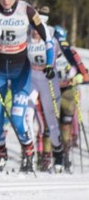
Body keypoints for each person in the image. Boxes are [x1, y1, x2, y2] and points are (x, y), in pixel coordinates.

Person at [0, 0, 50, 173]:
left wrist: (49, 61)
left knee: (17, 118)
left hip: (20, 71)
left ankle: (29, 152)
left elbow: (46, 35)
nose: (6, 0)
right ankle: (0, 154)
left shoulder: (27, 9)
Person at [44, 11, 88, 172]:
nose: (60, 45)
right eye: (58, 40)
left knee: (65, 124)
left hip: (68, 91)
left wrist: (79, 78)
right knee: (50, 125)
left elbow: (85, 74)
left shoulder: (71, 52)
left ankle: (66, 155)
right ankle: (47, 158)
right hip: (52, 90)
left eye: (62, 41)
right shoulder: (49, 52)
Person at [26, 6, 63, 172]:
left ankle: (59, 155)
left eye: (37, 29)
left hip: (49, 79)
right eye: (33, 28)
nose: (35, 32)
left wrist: (51, 66)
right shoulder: (26, 36)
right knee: (26, 113)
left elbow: (58, 57)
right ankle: (29, 155)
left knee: (51, 118)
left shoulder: (52, 38)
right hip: (32, 78)